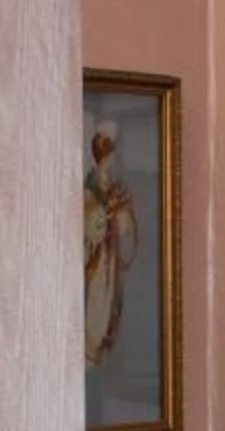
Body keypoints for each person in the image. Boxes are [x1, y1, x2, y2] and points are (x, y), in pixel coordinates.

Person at [83, 121, 139, 366]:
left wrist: (120, 212)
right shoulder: (91, 184)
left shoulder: (110, 183)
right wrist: (107, 214)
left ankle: (100, 345)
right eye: (108, 152)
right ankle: (90, 348)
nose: (110, 158)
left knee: (109, 298)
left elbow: (123, 225)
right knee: (97, 298)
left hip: (110, 254)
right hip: (98, 255)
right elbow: (90, 221)